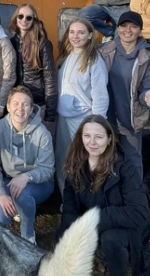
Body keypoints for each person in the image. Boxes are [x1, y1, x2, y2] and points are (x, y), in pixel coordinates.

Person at [57, 115, 150, 276]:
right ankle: (99, 256)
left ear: (109, 139)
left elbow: (139, 213)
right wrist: (69, 230)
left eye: (99, 137)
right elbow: (70, 206)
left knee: (110, 238)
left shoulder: (125, 168)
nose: (92, 142)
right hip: (99, 224)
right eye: (87, 136)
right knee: (63, 235)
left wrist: (94, 220)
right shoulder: (76, 165)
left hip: (130, 227)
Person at [0, 87, 54, 243]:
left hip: (38, 182)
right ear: (8, 106)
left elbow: (48, 169)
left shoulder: (42, 133)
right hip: (8, 180)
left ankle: (27, 233)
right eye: (16, 103)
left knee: (22, 195)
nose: (20, 108)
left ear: (31, 109)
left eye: (25, 104)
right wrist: (1, 193)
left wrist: (26, 177)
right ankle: (18, 207)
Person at [98, 11, 150, 176]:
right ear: (118, 28)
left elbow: (148, 89)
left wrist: (147, 97)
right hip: (106, 117)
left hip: (130, 120)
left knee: (132, 160)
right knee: (105, 159)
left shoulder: (146, 58)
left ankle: (135, 190)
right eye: (124, 26)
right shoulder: (103, 52)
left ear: (140, 31)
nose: (128, 30)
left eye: (134, 26)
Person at [54, 18, 109, 193]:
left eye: (81, 32)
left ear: (90, 35)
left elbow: (100, 95)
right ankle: (66, 197)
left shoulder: (94, 60)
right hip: (63, 117)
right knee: (63, 158)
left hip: (82, 119)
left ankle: (85, 196)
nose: (75, 36)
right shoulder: (67, 56)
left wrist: (97, 124)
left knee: (81, 160)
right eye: (72, 32)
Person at [9, 3, 58, 137]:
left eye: (29, 17)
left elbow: (50, 79)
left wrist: (50, 113)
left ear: (34, 20)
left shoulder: (42, 44)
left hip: (37, 104)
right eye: (20, 16)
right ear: (16, 18)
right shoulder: (12, 42)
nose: (24, 20)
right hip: (19, 105)